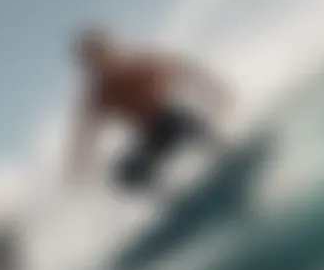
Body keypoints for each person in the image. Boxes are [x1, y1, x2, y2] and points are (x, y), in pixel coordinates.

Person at [65, 27, 233, 194]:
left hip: (175, 119)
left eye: (101, 53)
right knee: (125, 175)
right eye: (93, 59)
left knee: (200, 134)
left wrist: (216, 93)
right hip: (152, 134)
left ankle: (227, 157)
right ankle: (173, 194)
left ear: (110, 50)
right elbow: (84, 135)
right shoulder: (100, 95)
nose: (101, 62)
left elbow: (184, 69)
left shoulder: (139, 65)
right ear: (90, 65)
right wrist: (79, 167)